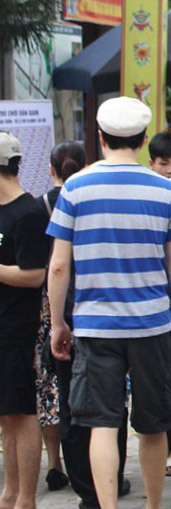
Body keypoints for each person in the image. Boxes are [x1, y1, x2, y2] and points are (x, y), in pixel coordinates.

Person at [47, 97, 171, 509]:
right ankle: (151, 505)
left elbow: (59, 266)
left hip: (94, 327)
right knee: (152, 425)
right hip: (151, 325)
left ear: (100, 137)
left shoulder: (75, 188)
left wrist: (59, 323)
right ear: (145, 140)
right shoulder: (166, 190)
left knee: (100, 424)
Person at [0, 132, 53, 509]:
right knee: (7, 416)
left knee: (23, 412)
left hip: (21, 329)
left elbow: (34, 274)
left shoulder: (29, 213)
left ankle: (26, 498)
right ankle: (9, 491)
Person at [36, 142, 88, 493]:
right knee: (98, 392)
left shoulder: (38, 206)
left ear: (52, 169)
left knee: (51, 392)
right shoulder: (89, 199)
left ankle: (56, 463)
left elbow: (52, 264)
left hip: (47, 308)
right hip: (87, 305)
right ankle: (95, 469)